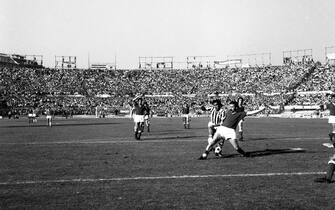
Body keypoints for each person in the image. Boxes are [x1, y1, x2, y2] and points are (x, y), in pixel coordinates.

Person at [199, 101, 266, 160]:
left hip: (230, 132)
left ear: (236, 107)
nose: (230, 108)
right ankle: (204, 155)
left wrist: (261, 110)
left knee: (236, 148)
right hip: (222, 129)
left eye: (232, 107)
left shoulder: (240, 114)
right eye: (230, 106)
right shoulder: (227, 111)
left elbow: (250, 113)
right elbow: (215, 108)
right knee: (212, 142)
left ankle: (245, 154)